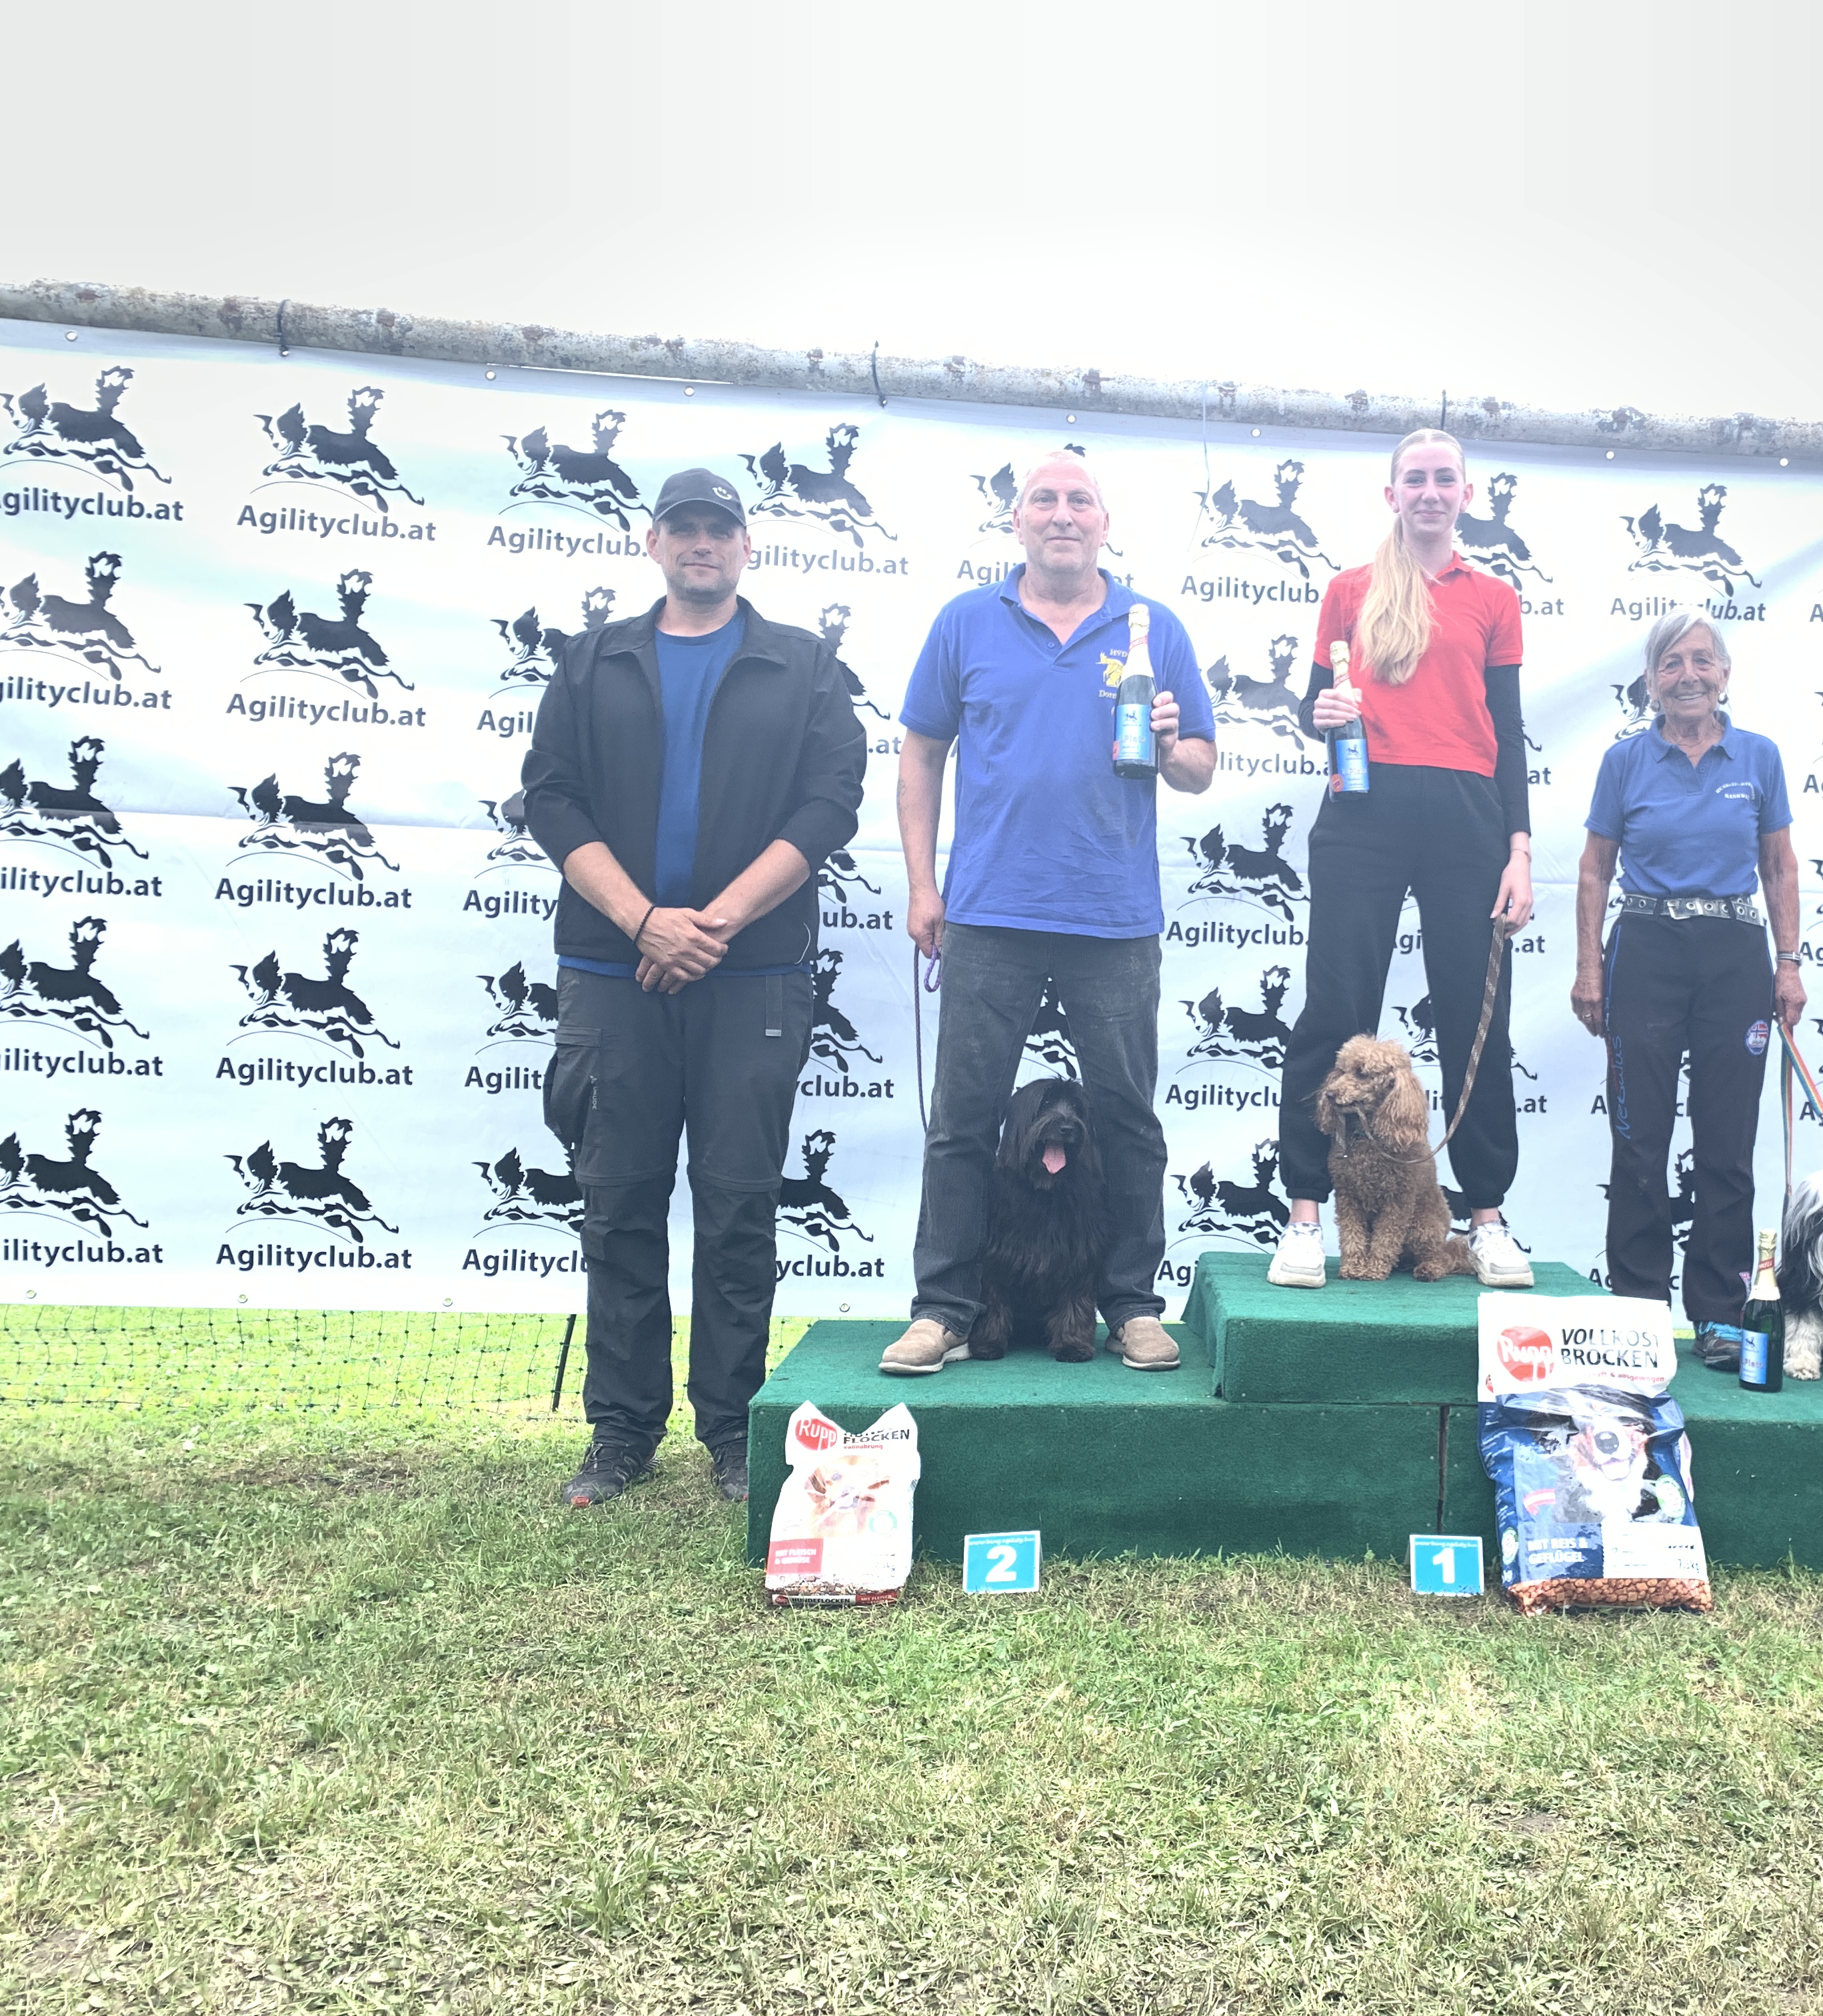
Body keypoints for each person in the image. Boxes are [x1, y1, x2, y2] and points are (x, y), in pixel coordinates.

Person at [523, 467, 867, 1508]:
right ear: (653, 542)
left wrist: (712, 925)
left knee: (737, 1210)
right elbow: (550, 800)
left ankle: (733, 1431)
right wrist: (644, 920)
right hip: (612, 972)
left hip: (751, 975)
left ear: (747, 545)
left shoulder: (804, 665)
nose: (702, 543)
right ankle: (621, 1432)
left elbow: (830, 806)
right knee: (619, 1204)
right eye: (685, 528)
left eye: (721, 528)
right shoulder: (591, 661)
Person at [882, 451, 1216, 1375]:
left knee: (1128, 1123)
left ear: (1105, 523)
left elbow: (1199, 768)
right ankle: (943, 1310)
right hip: (990, 913)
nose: (1062, 514)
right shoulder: (965, 622)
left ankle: (1131, 1307)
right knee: (963, 1121)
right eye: (1044, 500)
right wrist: (923, 885)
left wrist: (1169, 746)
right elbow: (920, 755)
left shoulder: (1152, 628)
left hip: (1113, 917)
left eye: (1080, 501)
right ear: (1017, 520)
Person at [1266, 428, 1538, 1291]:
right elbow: (1316, 704)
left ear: (1465, 494)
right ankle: (1305, 1215)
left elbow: (1508, 732)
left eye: (1443, 479)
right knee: (1334, 1011)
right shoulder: (1349, 589)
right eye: (1414, 479)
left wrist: (1520, 849)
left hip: (1468, 816)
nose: (1429, 491)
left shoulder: (1494, 597)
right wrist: (1320, 713)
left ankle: (1485, 1216)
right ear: (1392, 495)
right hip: (1364, 809)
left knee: (1474, 1019)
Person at [1571, 615, 1800, 1337]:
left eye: (1703, 661)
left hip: (1735, 952)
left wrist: (1789, 964)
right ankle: (1638, 1311)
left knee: (1727, 1141)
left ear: (1725, 674)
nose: (1689, 675)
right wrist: (1588, 967)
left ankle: (1720, 1313)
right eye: (1671, 663)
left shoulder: (1759, 756)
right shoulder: (1625, 761)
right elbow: (1594, 870)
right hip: (1646, 949)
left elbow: (1779, 868)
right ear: (1651, 681)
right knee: (1640, 1138)